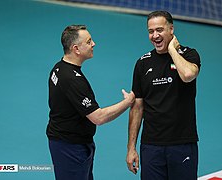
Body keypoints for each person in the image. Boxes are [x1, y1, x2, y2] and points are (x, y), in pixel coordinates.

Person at [46, 25, 135, 180]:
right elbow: (98, 117)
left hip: (65, 142)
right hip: (71, 148)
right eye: (88, 42)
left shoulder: (58, 67)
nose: (94, 44)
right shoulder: (73, 80)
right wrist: (128, 102)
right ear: (76, 49)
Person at [126, 11, 201, 180]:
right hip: (152, 146)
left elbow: (188, 74)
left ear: (171, 29)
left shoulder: (189, 55)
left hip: (182, 143)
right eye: (151, 31)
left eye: (159, 30)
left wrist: (172, 51)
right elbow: (137, 107)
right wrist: (131, 147)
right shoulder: (142, 63)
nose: (155, 35)